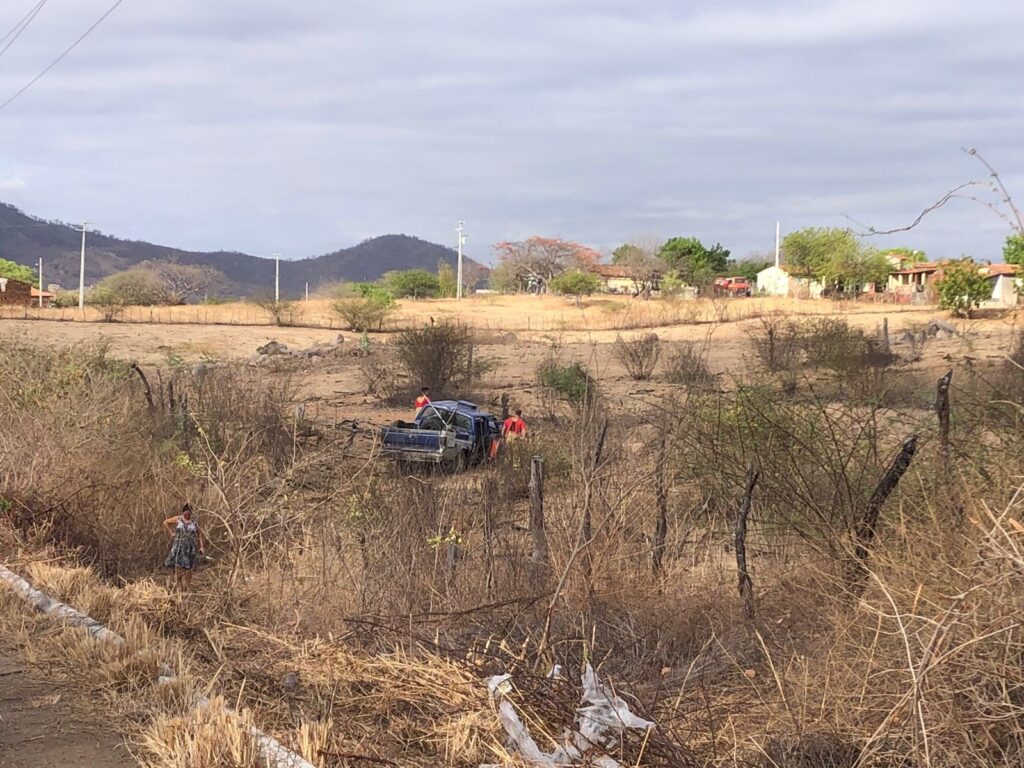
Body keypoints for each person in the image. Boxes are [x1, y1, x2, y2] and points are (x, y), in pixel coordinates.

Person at [163, 503, 205, 591]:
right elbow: (165, 522)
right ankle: (179, 584)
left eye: (189, 514)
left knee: (188, 567)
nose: (187, 515)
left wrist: (201, 546)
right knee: (178, 565)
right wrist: (171, 533)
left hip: (190, 547)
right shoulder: (178, 519)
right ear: (183, 513)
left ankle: (188, 585)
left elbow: (200, 534)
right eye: (185, 513)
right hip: (178, 546)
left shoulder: (194, 522)